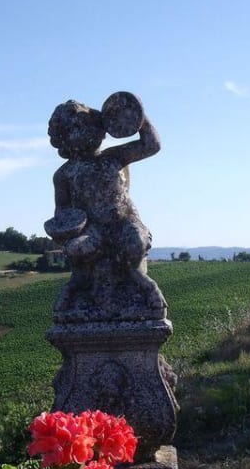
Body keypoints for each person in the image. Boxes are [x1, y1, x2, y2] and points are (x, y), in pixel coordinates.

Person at [44, 96, 167, 322]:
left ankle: (146, 285)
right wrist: (67, 229)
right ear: (62, 138)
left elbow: (152, 145)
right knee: (78, 251)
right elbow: (62, 212)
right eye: (75, 129)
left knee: (134, 242)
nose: (86, 132)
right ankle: (74, 287)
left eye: (88, 125)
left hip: (124, 222)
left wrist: (138, 117)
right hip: (92, 231)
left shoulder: (114, 157)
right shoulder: (63, 175)